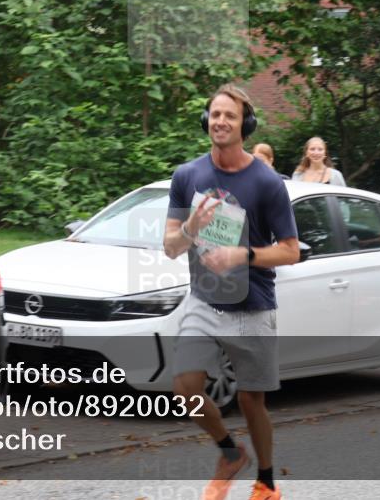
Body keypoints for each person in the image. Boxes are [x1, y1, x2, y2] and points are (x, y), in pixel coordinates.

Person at [164, 84, 299, 500]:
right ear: (206, 120)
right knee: (186, 386)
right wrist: (191, 229)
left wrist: (243, 255)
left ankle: (266, 482)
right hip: (204, 299)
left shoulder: (267, 182)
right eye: (216, 114)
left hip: (252, 305)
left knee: (251, 401)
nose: (221, 121)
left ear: (246, 125)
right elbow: (170, 246)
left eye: (231, 116)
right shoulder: (187, 176)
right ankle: (229, 452)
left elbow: (290, 251)